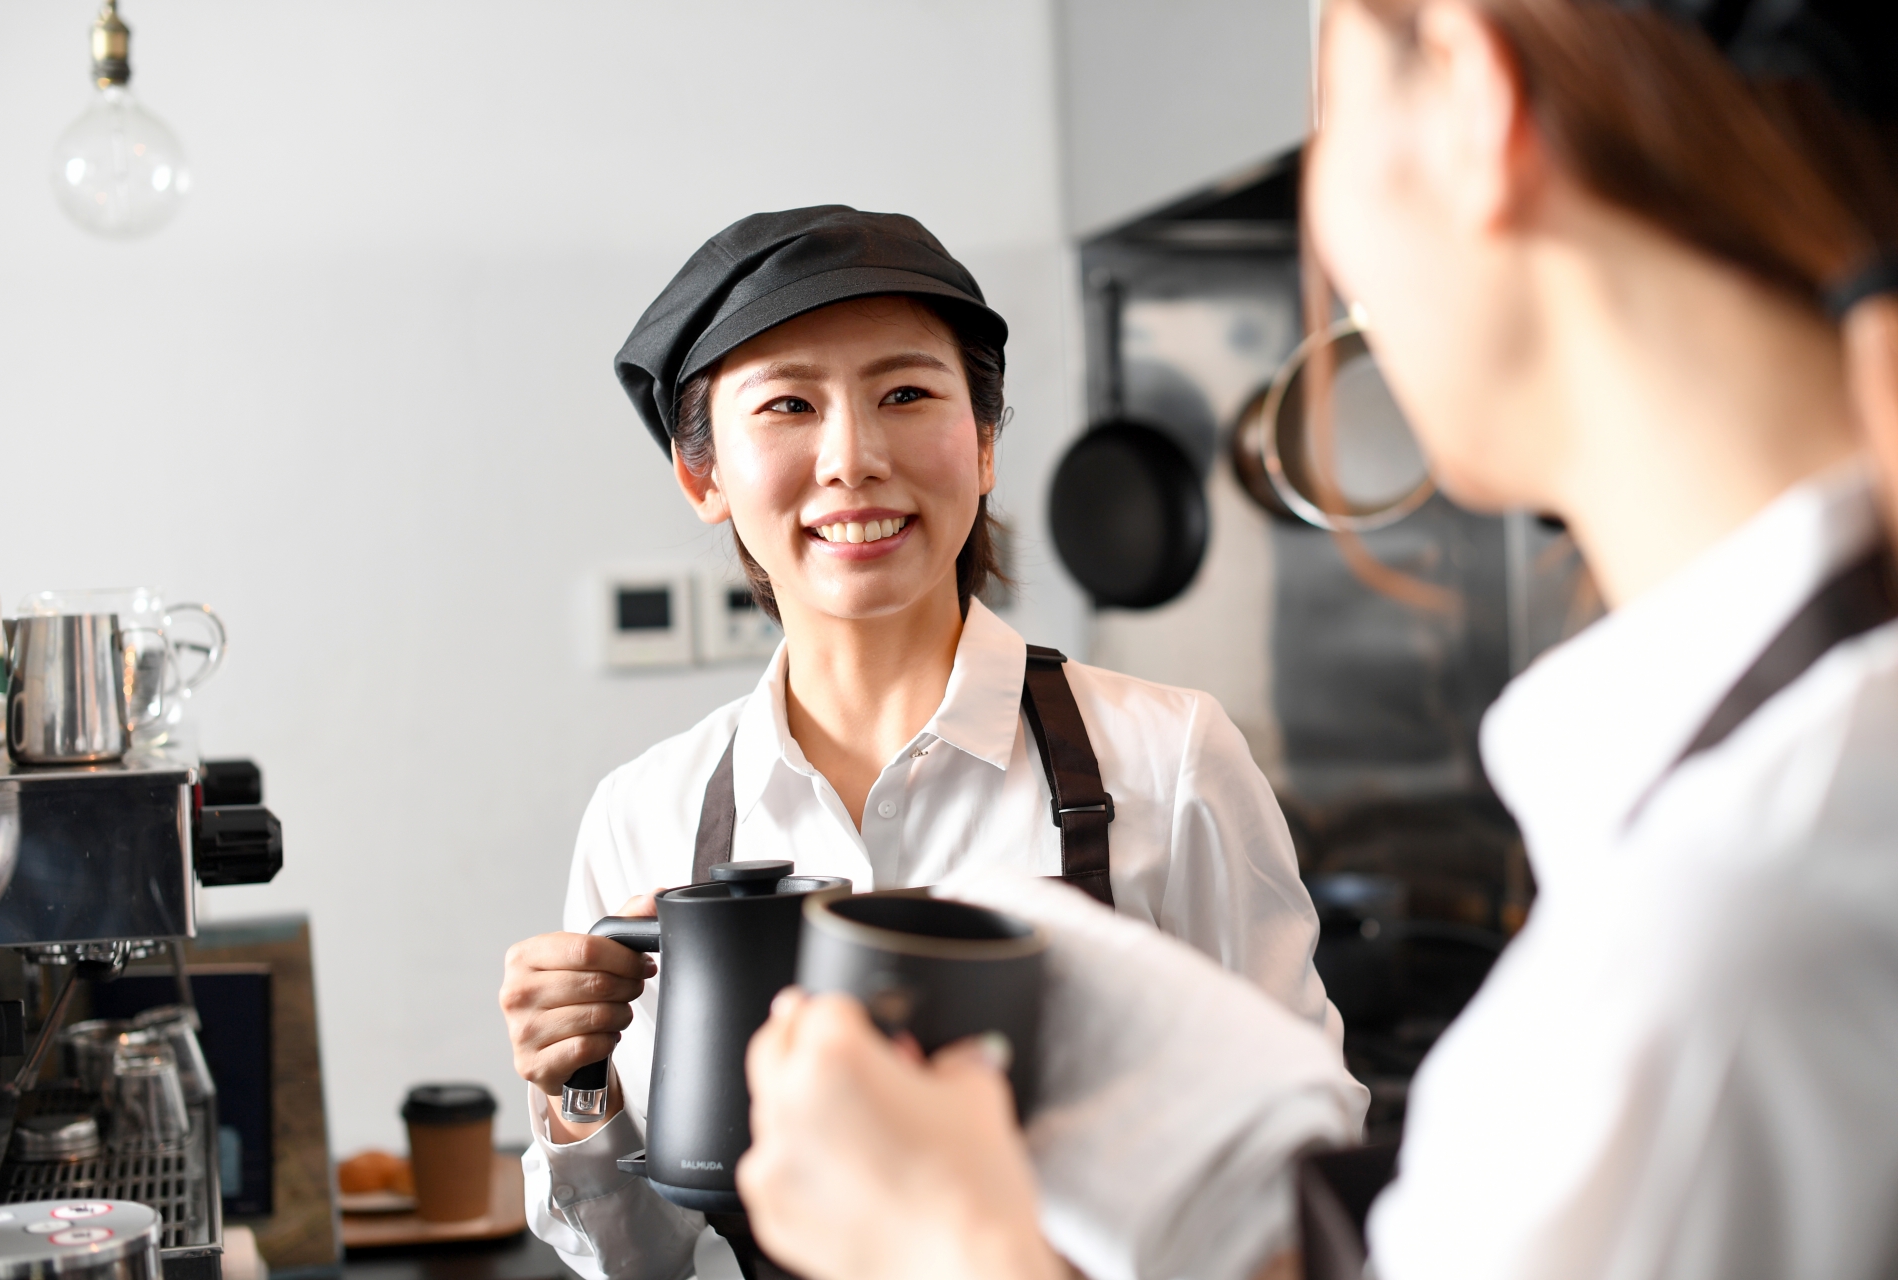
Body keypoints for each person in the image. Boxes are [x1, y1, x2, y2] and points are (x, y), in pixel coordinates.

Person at [732, 2, 1898, 1279]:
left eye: (1326, 118)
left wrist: (947, 1247)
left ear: (1468, 92)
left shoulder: (1725, 932)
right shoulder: (1794, 776)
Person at [498, 207, 1363, 1280]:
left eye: (905, 393)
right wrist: (578, 1087)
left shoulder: (1170, 756)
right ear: (702, 476)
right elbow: (642, 1262)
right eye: (788, 406)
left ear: (987, 440)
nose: (853, 458)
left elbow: (1304, 1171)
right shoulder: (649, 811)